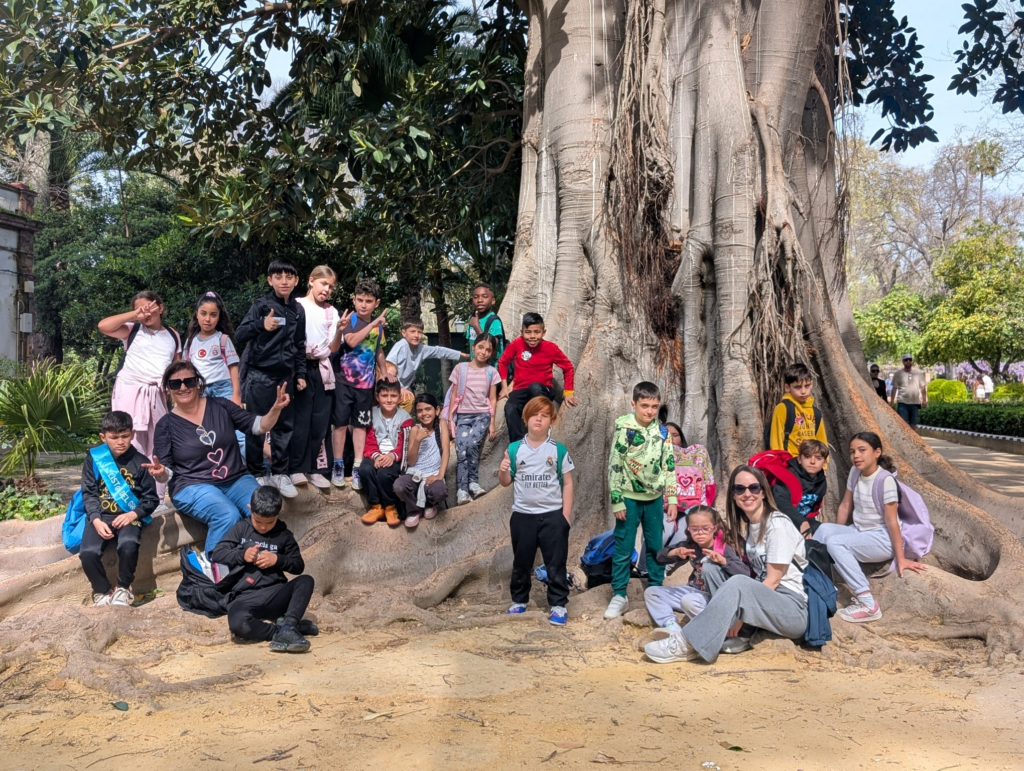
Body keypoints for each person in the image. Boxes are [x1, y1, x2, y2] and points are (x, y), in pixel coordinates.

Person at [643, 466, 809, 664]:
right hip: (765, 605)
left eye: (753, 488)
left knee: (738, 581)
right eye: (740, 489)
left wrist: (740, 620)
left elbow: (772, 581)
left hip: (792, 609)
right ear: (733, 495)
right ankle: (728, 634)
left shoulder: (777, 525)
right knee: (711, 567)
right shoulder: (752, 527)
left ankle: (688, 643)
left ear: (764, 492)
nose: (747, 494)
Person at [150, 361, 291, 572]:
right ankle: (216, 570)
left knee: (261, 509)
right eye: (175, 384)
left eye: (189, 381)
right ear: (168, 389)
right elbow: (166, 471)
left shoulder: (221, 406)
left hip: (236, 478)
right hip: (192, 484)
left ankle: (261, 566)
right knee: (227, 514)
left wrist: (275, 409)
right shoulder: (166, 424)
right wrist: (160, 473)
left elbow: (258, 426)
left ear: (198, 383)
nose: (183, 387)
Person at [814, 432, 927, 623]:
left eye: (862, 450)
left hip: (883, 539)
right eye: (852, 452)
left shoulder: (885, 480)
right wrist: (835, 538)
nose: (856, 456)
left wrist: (901, 558)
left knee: (835, 543)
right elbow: (845, 505)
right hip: (859, 531)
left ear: (877, 452)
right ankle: (817, 584)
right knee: (824, 531)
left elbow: (892, 521)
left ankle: (868, 604)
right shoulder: (855, 472)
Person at [210, 486, 317, 653]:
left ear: (279, 513)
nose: (263, 527)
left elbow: (298, 566)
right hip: (245, 596)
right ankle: (284, 631)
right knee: (238, 624)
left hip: (276, 594)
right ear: (250, 509)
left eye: (269, 522)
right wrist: (242, 555)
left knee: (306, 581)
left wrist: (277, 560)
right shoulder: (241, 528)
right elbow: (217, 554)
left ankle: (289, 624)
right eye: (258, 521)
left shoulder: (284, 535)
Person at [603, 382, 678, 620]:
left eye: (654, 406)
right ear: (633, 404)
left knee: (655, 545)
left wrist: (672, 498)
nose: (649, 411)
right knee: (624, 546)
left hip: (654, 499)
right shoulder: (625, 430)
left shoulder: (663, 433)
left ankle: (656, 589)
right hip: (628, 497)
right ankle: (619, 594)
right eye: (644, 406)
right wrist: (617, 500)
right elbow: (615, 465)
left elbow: (669, 466)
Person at [498, 396, 575, 626]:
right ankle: (519, 600)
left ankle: (558, 604)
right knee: (522, 561)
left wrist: (565, 516)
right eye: (534, 414)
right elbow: (505, 482)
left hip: (553, 515)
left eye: (544, 415)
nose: (538, 419)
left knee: (556, 562)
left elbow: (568, 483)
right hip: (523, 516)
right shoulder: (515, 449)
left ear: (552, 421)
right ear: (526, 419)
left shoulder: (558, 450)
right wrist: (503, 470)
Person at [99, 290, 181, 500]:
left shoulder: (172, 335)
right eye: (140, 309)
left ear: (160, 307)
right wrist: (135, 315)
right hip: (130, 389)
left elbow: (176, 368)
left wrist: (176, 399)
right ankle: (127, 494)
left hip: (156, 393)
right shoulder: (132, 329)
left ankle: (156, 496)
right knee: (127, 439)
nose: (145, 312)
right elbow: (103, 326)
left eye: (149, 307)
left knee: (159, 441)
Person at [235, 260, 307, 497]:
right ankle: (257, 473)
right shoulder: (261, 306)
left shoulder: (298, 310)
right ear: (270, 280)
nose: (284, 281)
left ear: (296, 281)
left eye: (289, 277)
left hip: (285, 378)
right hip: (260, 376)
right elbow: (240, 334)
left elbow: (299, 344)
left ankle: (280, 474)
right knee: (256, 426)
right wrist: (261, 324)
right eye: (278, 277)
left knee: (283, 427)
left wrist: (301, 374)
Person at [79, 411, 159, 607]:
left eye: (125, 436)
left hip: (129, 516)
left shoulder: (141, 461)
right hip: (101, 516)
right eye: (114, 437)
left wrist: (133, 514)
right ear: (103, 437)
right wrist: (96, 519)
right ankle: (102, 590)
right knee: (88, 552)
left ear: (133, 434)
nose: (120, 442)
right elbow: (89, 493)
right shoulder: (94, 459)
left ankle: (123, 588)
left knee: (128, 544)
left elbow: (151, 499)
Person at [643, 505, 749, 640]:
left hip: (715, 596)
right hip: (694, 590)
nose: (700, 533)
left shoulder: (723, 547)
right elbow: (660, 557)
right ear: (688, 529)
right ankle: (671, 626)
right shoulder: (691, 545)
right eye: (695, 529)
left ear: (714, 528)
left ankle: (716, 629)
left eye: (705, 528)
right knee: (652, 592)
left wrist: (723, 561)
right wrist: (676, 552)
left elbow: (745, 573)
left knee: (688, 601)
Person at [290, 266, 351, 490]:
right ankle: (296, 467)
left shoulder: (331, 312)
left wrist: (340, 330)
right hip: (300, 365)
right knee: (301, 418)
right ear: (311, 281)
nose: (327, 289)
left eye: (331, 287)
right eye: (323, 283)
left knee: (321, 419)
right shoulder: (296, 305)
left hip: (323, 367)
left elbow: (333, 348)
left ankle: (315, 469)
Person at [331, 280, 389, 490]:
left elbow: (378, 349)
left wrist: (384, 372)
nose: (364, 304)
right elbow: (352, 341)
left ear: (376, 303)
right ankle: (337, 465)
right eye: (360, 300)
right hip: (343, 382)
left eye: (368, 301)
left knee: (361, 425)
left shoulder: (378, 327)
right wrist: (373, 325)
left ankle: (357, 466)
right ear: (354, 300)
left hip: (366, 385)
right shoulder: (350, 320)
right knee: (340, 424)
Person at [498, 312, 576, 442]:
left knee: (534, 387)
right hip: (521, 390)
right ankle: (517, 444)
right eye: (528, 332)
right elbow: (502, 362)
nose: (532, 336)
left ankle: (542, 432)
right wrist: (504, 387)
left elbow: (568, 367)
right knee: (510, 406)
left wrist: (568, 392)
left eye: (537, 332)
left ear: (544, 332)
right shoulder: (517, 344)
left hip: (543, 389)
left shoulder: (551, 348)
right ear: (522, 332)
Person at [443, 333, 500, 504]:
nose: (483, 352)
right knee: (461, 449)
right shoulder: (460, 368)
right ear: (473, 346)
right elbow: (453, 395)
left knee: (472, 445)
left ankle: (473, 483)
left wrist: (492, 423)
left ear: (492, 353)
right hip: (462, 416)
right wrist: (450, 419)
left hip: (482, 415)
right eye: (480, 347)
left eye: (488, 350)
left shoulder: (491, 372)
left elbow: (492, 399)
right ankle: (462, 490)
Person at [394, 393, 451, 527]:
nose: (424, 413)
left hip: (433, 474)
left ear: (437, 410)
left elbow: (446, 451)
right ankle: (414, 510)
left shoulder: (442, 424)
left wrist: (440, 475)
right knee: (399, 486)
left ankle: (429, 504)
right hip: (415, 474)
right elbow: (411, 462)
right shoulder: (415, 429)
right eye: (419, 411)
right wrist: (417, 440)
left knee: (439, 491)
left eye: (428, 409)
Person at [359, 380, 411, 527]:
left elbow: (404, 444)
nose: (389, 400)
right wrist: (376, 456)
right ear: (377, 396)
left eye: (393, 396)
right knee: (365, 469)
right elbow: (368, 440)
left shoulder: (406, 418)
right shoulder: (371, 414)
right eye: (384, 395)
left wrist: (391, 456)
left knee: (384, 474)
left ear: (399, 397)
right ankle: (376, 506)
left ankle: (390, 507)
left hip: (395, 456)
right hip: (374, 454)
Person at [386, 318, 468, 393]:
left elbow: (438, 351)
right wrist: (400, 387)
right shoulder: (401, 346)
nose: (416, 335)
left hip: (402, 389)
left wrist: (461, 354)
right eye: (412, 331)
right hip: (390, 387)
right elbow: (388, 367)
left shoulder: (420, 348)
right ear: (404, 333)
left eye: (419, 332)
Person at [768, 439, 829, 537]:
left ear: (824, 463)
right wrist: (801, 521)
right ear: (799, 459)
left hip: (804, 520)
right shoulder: (788, 475)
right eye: (807, 457)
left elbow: (814, 507)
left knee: (825, 531)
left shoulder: (821, 481)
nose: (812, 462)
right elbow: (780, 502)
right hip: (780, 520)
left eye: (818, 458)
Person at [768, 362, 827, 456]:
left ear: (811, 384)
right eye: (798, 387)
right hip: (791, 461)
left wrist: (824, 462)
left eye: (807, 386)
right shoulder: (783, 408)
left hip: (812, 461)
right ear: (787, 387)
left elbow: (822, 441)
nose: (803, 391)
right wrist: (781, 462)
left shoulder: (816, 413)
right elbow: (776, 442)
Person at [465, 283, 506, 365]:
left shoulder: (494, 321)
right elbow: (471, 344)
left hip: (491, 368)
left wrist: (476, 326)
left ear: (493, 301)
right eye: (476, 297)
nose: (480, 300)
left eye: (485, 296)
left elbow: (490, 346)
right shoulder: (472, 318)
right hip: (476, 367)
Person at [890, 354, 927, 427]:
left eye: (910, 360)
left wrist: (924, 400)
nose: (908, 361)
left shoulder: (918, 372)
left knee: (913, 425)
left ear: (912, 361)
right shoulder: (898, 374)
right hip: (902, 403)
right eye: (906, 360)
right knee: (904, 425)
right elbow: (894, 388)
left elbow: (922, 387)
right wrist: (892, 402)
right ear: (903, 362)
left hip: (915, 403)